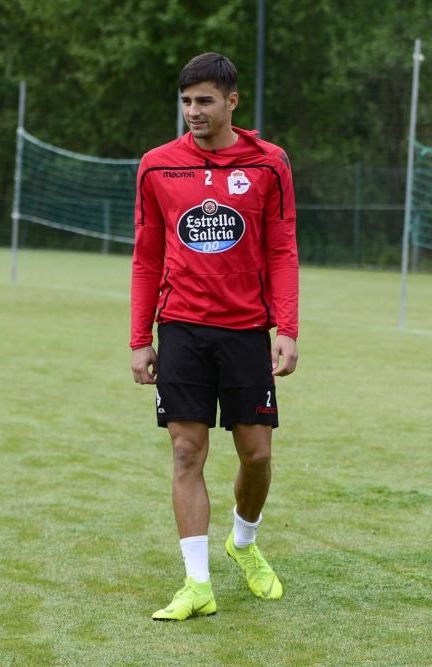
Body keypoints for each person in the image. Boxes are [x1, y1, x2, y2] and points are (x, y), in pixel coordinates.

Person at [130, 52, 299, 620]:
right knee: (186, 451)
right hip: (180, 330)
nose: (193, 112)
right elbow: (146, 256)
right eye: (186, 102)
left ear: (231, 102)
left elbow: (281, 250)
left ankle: (243, 543)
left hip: (246, 331)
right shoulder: (156, 166)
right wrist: (139, 338)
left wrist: (287, 328)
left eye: (204, 101)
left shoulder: (270, 164)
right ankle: (197, 584)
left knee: (256, 455)